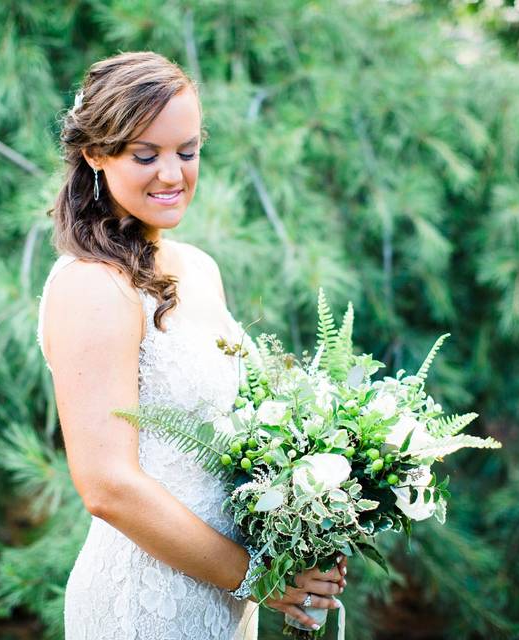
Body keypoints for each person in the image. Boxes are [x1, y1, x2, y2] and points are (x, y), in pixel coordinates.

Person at [35, 51, 347, 640]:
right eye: (145, 155)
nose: (173, 174)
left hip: (226, 602)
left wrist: (310, 522)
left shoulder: (198, 267)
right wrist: (259, 577)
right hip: (144, 603)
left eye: (188, 150)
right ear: (96, 154)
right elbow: (107, 486)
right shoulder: (92, 285)